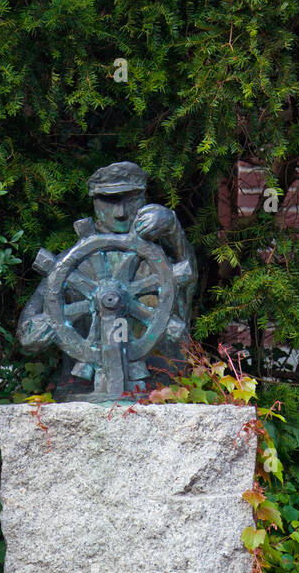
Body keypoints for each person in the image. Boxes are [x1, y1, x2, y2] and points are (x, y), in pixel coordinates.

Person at [17, 161, 196, 398]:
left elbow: (189, 277)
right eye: (109, 201)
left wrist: (173, 229)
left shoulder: (160, 261)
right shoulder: (71, 266)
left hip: (162, 389)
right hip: (81, 390)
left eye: (130, 199)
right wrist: (34, 332)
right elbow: (27, 331)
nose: (120, 212)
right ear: (94, 202)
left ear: (143, 199)